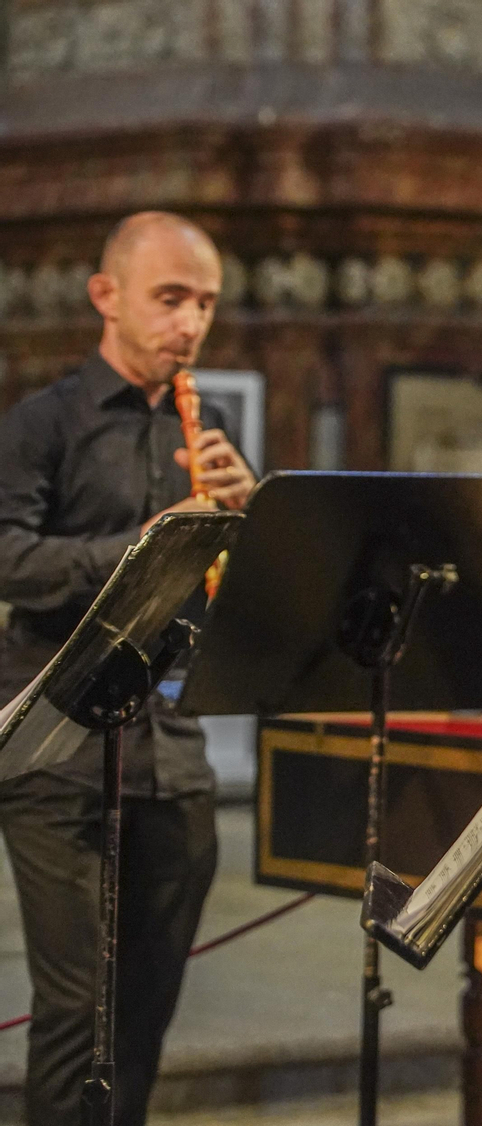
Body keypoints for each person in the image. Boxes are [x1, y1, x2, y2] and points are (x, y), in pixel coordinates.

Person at [0, 211, 256, 1125]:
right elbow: (7, 557)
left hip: (171, 747)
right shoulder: (44, 423)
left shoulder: (209, 424)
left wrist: (247, 517)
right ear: (106, 297)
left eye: (206, 303)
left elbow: (241, 593)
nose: (191, 323)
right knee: (76, 1006)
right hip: (55, 749)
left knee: (145, 1008)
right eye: (170, 298)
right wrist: (138, 550)